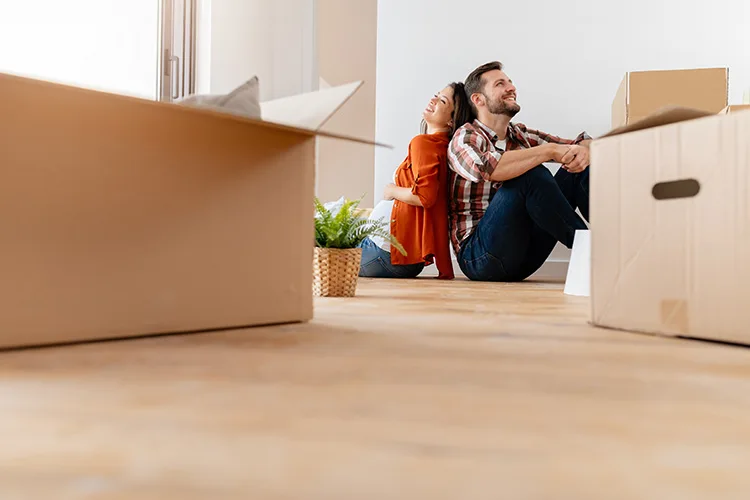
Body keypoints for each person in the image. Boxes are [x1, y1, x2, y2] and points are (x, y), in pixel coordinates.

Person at [448, 61, 591, 282]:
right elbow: (487, 168)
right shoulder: (465, 137)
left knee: (577, 167)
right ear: (478, 99)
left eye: (511, 82)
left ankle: (615, 245)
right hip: (480, 257)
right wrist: (549, 151)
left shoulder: (519, 135)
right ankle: (594, 253)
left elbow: (580, 143)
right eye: (500, 84)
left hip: (525, 255)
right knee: (531, 175)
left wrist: (584, 151)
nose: (511, 88)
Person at [359, 82, 472, 280]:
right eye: (436, 94)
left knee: (316, 238)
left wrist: (392, 191)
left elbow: (424, 197)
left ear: (451, 122)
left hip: (386, 255)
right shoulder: (442, 148)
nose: (433, 100)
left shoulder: (424, 144)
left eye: (442, 101)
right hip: (407, 260)